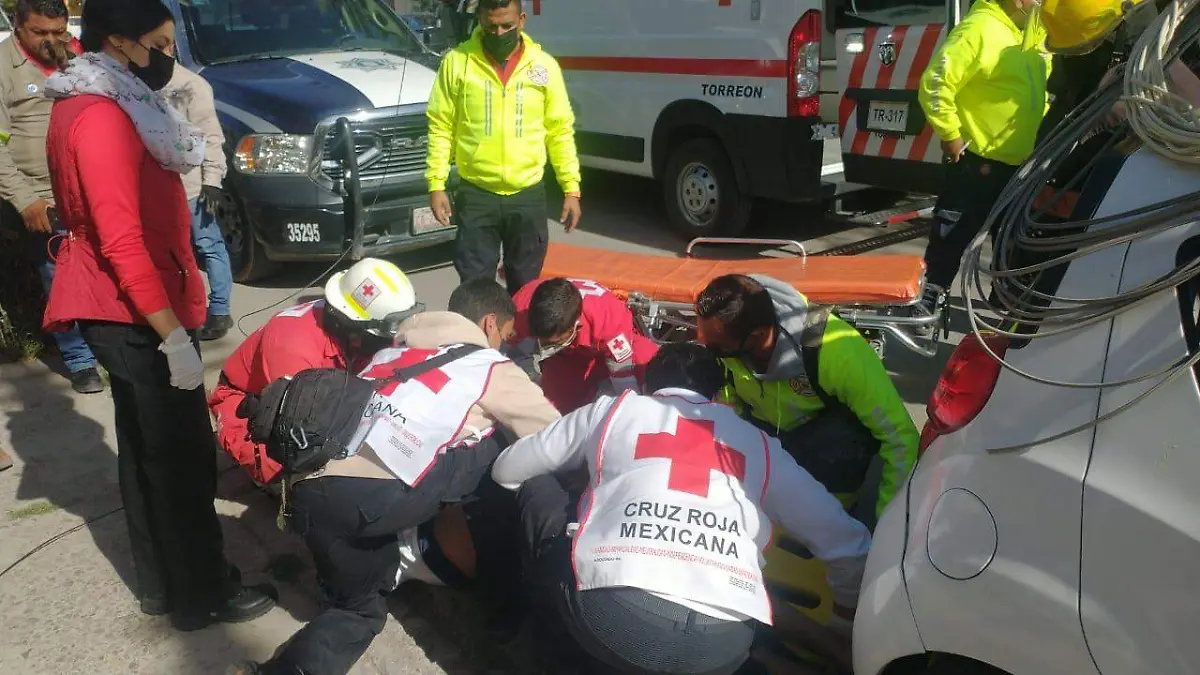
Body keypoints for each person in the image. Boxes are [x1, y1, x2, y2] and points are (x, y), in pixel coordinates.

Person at [41, 0, 275, 630]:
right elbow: (119, 238)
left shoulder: (95, 100)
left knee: (147, 455)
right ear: (119, 43)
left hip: (131, 306)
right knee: (179, 460)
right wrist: (170, 334)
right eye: (161, 44)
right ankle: (202, 593)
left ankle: (162, 585)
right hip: (137, 315)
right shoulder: (100, 118)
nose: (170, 58)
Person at [232, 277, 560, 675]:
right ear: (490, 324)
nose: (506, 343)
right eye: (507, 334)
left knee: (359, 610)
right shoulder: (490, 365)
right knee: (500, 442)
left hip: (308, 492)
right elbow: (556, 434)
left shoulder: (390, 350)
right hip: (372, 499)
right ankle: (503, 607)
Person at [491, 342, 873, 675]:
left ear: (648, 385)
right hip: (720, 649)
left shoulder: (615, 410)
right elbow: (849, 544)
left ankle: (533, 628)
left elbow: (508, 469)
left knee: (535, 484)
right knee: (727, 583)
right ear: (718, 395)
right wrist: (841, 622)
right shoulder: (758, 444)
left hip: (609, 624)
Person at [694, 274, 918, 522]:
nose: (705, 348)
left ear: (756, 337)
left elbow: (900, 439)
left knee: (819, 523)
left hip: (824, 449)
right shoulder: (731, 341)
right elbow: (728, 391)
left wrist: (888, 525)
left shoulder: (837, 351)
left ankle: (837, 507)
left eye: (715, 347)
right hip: (768, 434)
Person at [209, 258, 420, 486]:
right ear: (352, 328)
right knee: (292, 466)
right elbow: (299, 429)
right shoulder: (293, 347)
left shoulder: (347, 327)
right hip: (247, 404)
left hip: (320, 388)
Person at [425, 0, 582, 295]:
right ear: (480, 21)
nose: (499, 33)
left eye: (507, 25)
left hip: (528, 196)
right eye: (491, 26)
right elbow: (441, 126)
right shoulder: (458, 63)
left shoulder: (544, 66)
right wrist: (437, 183)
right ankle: (478, 342)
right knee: (476, 291)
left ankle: (520, 343)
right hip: (476, 195)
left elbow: (560, 130)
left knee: (525, 291)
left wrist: (571, 188)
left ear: (522, 20)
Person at [0, 0, 102, 393]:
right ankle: (80, 359)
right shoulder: (4, 70)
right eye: (40, 33)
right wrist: (25, 199)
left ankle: (110, 343)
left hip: (92, 190)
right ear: (18, 27)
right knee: (59, 278)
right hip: (42, 197)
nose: (51, 41)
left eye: (58, 32)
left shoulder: (79, 58)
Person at [916, 0, 1051, 297]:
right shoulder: (979, 29)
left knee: (1013, 248)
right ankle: (926, 304)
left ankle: (1006, 313)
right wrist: (950, 134)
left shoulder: (1032, 35)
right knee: (949, 240)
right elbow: (935, 83)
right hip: (977, 164)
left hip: (1018, 167)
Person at [512, 276, 659, 413]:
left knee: (646, 358)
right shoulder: (522, 306)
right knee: (556, 408)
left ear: (576, 326)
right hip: (565, 355)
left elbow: (622, 373)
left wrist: (629, 411)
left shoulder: (609, 321)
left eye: (551, 342)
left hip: (604, 348)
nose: (543, 346)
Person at [162, 65, 234, 341]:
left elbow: (211, 136)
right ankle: (180, 309)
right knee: (174, 254)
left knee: (208, 245)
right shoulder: (137, 80)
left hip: (192, 187)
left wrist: (212, 180)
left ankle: (219, 310)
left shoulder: (191, 85)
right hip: (160, 190)